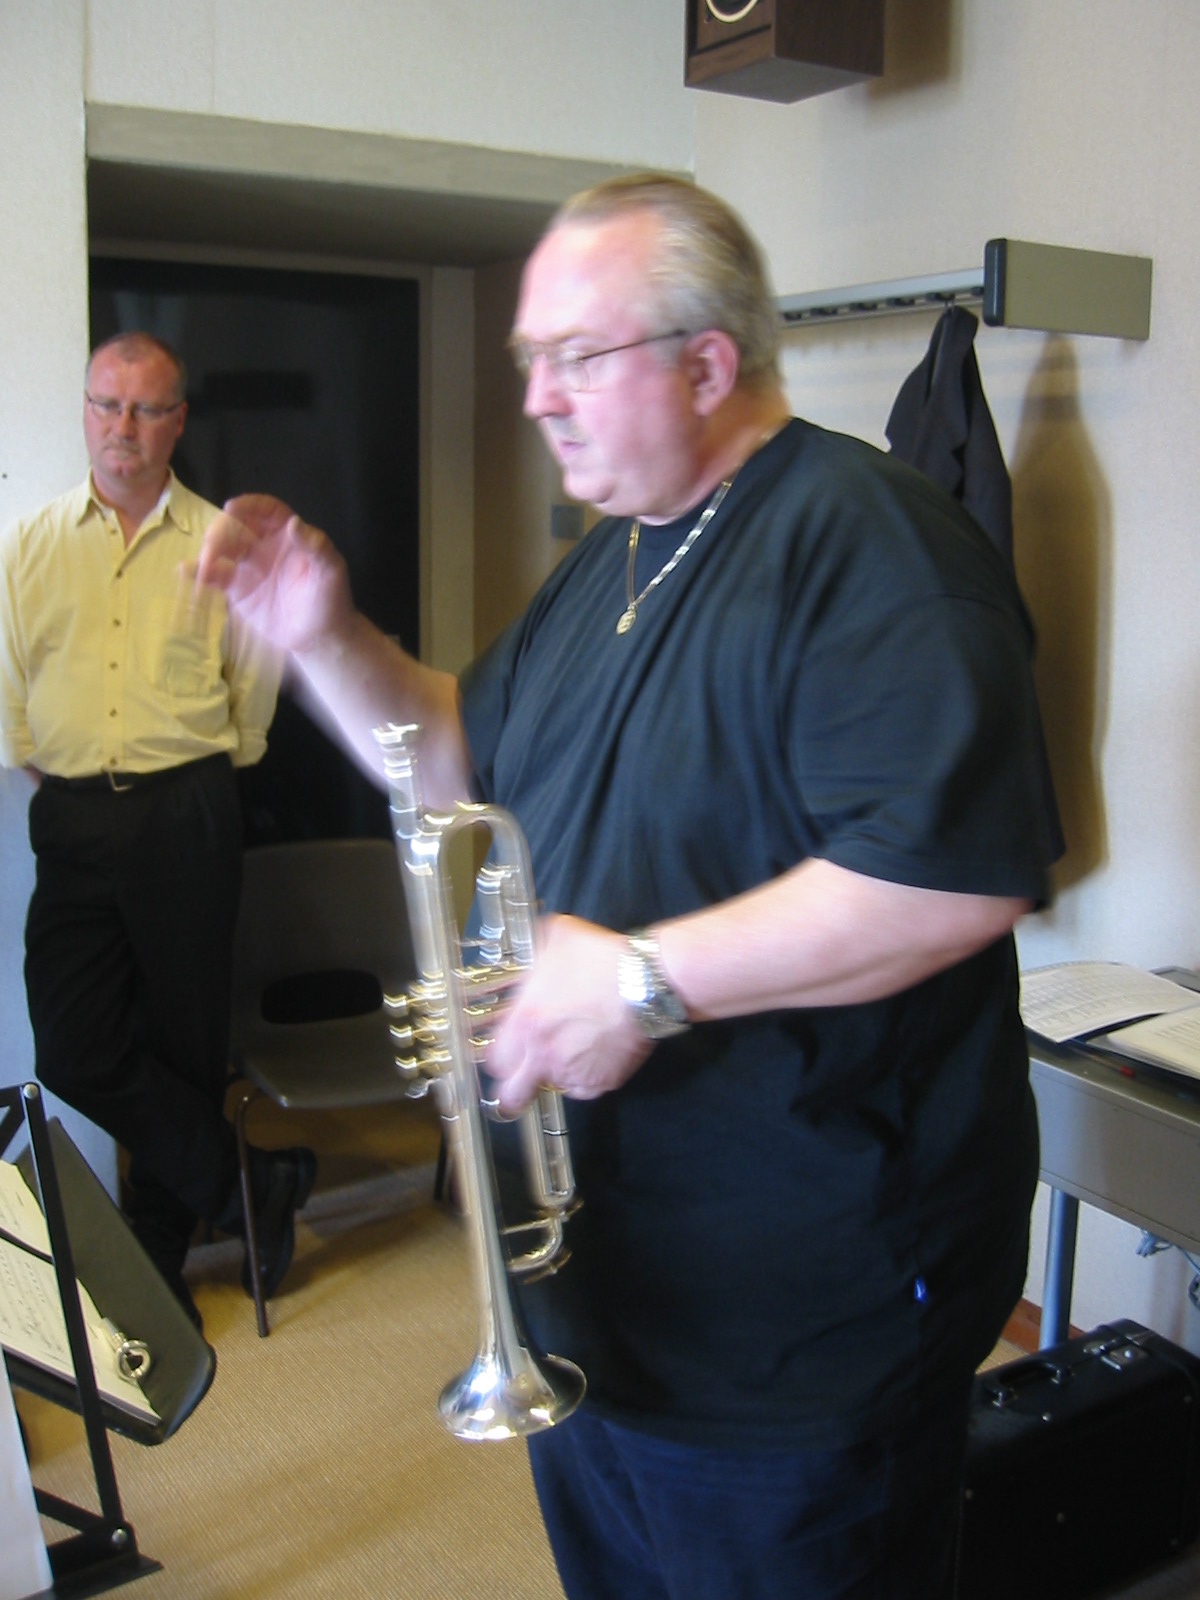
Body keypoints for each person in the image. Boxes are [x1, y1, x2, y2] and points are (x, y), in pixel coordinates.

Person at [195, 177, 1062, 1598]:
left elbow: (950, 880)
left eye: (574, 356)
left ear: (706, 364)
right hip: (607, 1303)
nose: (536, 396)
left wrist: (645, 982)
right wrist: (324, 638)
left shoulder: (875, 546)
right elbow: (456, 758)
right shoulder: (614, 556)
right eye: (529, 357)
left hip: (795, 1333)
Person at [0, 332, 314, 1333]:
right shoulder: (29, 544)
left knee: (184, 1043)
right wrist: (76, 771)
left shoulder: (221, 544)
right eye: (106, 404)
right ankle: (252, 1182)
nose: (121, 427)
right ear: (84, 412)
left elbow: (253, 687)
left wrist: (195, 769)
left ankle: (158, 1255)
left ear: (178, 421)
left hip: (187, 811)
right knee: (73, 1043)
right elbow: (11, 691)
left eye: (144, 408)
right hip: (73, 814)